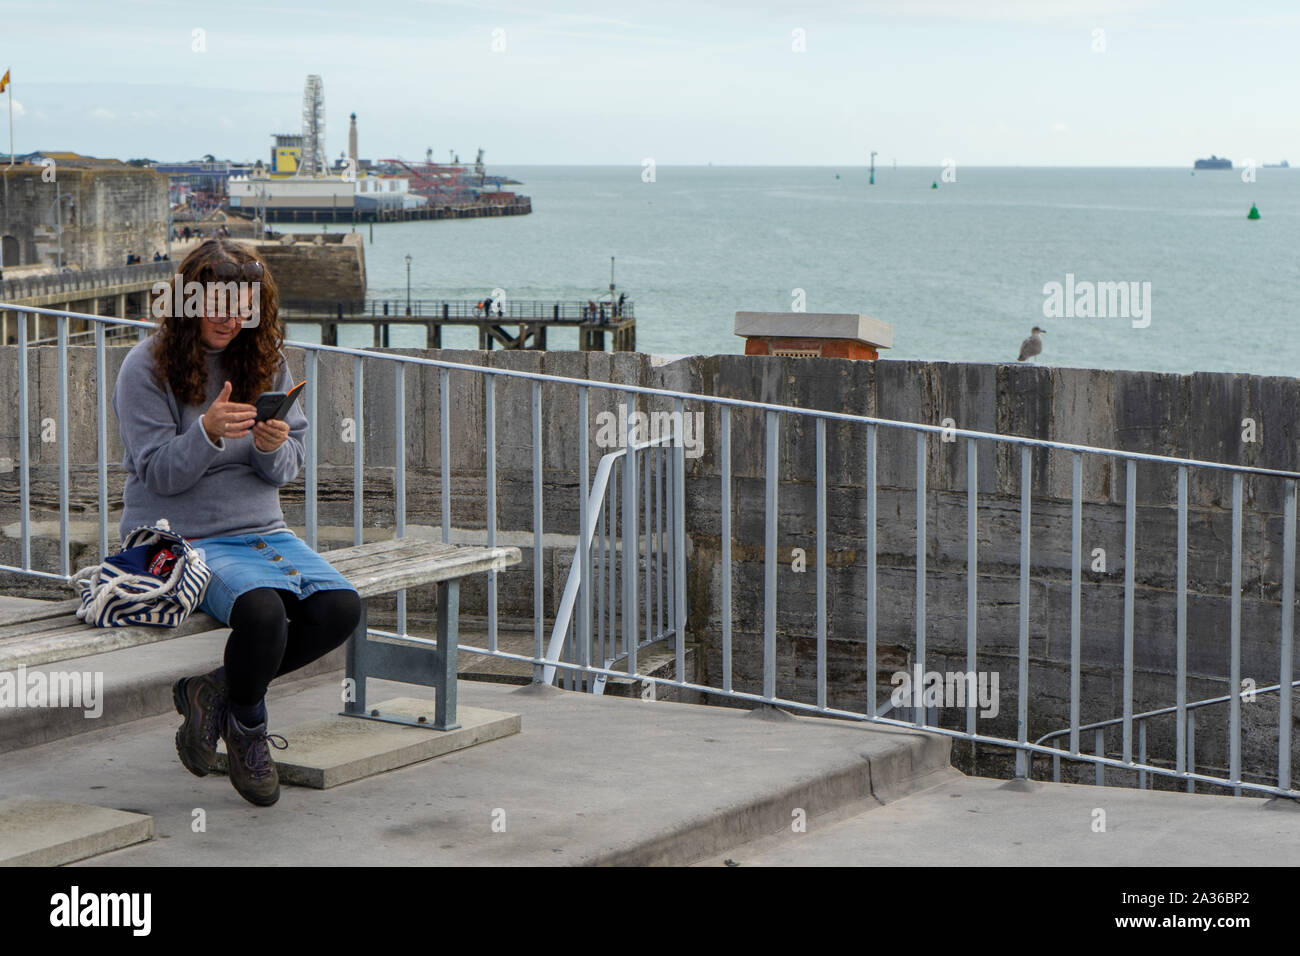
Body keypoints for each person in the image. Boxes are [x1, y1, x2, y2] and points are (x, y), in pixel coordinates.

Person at [112, 238, 361, 807]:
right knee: (263, 613)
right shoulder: (145, 366)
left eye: (241, 304)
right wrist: (206, 433)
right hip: (176, 532)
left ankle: (214, 693)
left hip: (260, 527)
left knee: (340, 608)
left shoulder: (266, 360)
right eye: (216, 302)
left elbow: (286, 467)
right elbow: (157, 473)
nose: (228, 317)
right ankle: (248, 730)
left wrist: (271, 444)